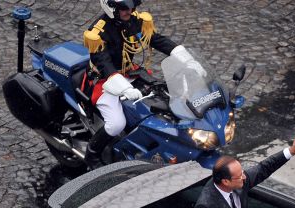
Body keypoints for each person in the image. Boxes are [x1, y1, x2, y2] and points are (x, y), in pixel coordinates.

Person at [82, 0, 205, 169]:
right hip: (105, 80)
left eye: (133, 7)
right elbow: (104, 65)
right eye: (124, 8)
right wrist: (124, 88)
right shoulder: (98, 33)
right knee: (116, 123)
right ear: (111, 8)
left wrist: (187, 60)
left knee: (167, 100)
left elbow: (157, 40)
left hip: (130, 72)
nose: (130, 11)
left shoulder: (135, 20)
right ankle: (92, 154)